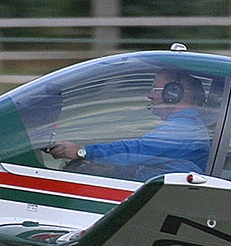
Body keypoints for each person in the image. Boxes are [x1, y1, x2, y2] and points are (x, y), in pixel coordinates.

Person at [47, 69, 210, 179]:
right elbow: (152, 167)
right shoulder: (185, 125)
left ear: (173, 93)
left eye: (155, 89)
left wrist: (82, 152)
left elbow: (135, 150)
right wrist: (109, 169)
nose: (150, 96)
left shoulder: (183, 129)